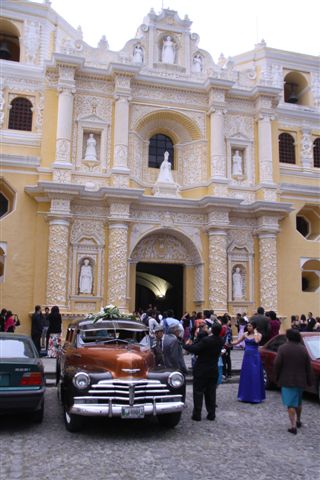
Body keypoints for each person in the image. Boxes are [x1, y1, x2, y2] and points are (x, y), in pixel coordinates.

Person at [274, 329, 313, 434]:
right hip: (301, 380)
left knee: (290, 404)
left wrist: (276, 376)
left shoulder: (283, 348)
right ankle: (299, 420)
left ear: (288, 337)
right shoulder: (303, 349)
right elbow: (308, 366)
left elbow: (277, 363)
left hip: (287, 380)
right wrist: (310, 380)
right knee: (299, 402)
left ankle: (293, 426)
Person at [184, 322, 224, 421]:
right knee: (211, 393)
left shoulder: (206, 340)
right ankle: (211, 414)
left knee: (198, 391)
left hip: (202, 369)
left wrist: (185, 345)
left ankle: (197, 415)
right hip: (213, 369)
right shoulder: (221, 340)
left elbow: (195, 349)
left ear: (212, 330)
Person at [232, 321, 265, 403]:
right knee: (246, 375)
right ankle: (245, 396)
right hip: (247, 357)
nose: (248, 327)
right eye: (248, 326)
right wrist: (228, 343)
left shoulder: (259, 334)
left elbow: (257, 341)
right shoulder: (245, 334)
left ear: (254, 327)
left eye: (250, 326)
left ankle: (255, 396)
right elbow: (237, 342)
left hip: (255, 358)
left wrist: (256, 332)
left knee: (255, 375)